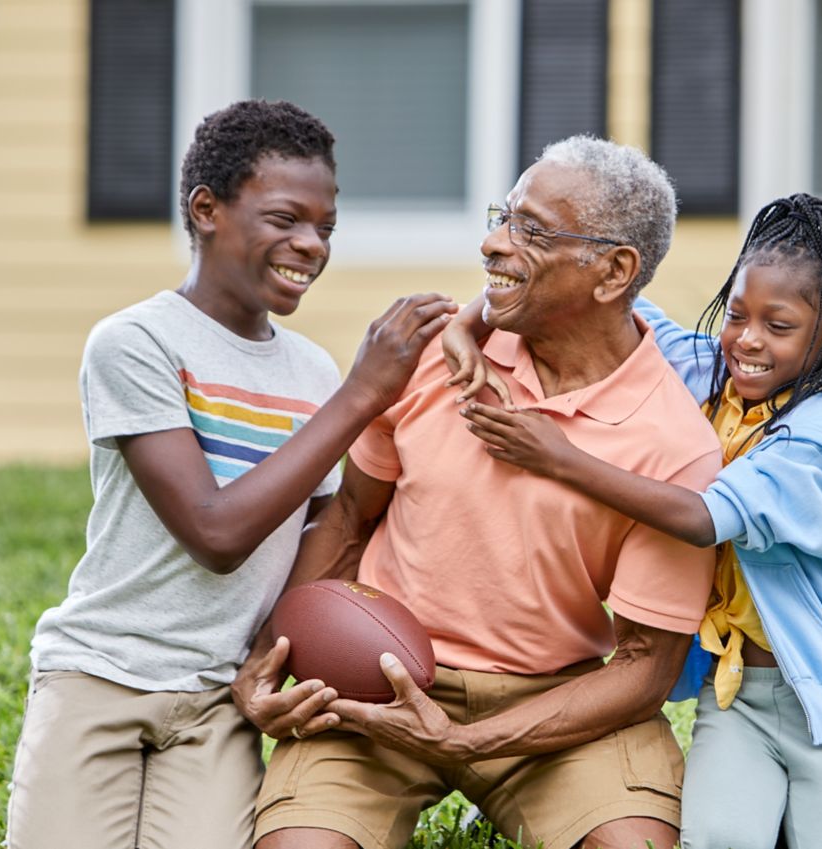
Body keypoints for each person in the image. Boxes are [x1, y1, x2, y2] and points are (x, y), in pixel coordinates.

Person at [231, 136, 724, 849]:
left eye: (531, 230)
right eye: (503, 216)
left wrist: (470, 739)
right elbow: (347, 520)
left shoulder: (673, 446)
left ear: (613, 270)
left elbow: (645, 666)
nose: (493, 243)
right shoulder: (432, 354)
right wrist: (267, 660)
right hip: (374, 679)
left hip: (557, 705)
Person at [4, 100, 456, 849]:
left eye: (326, 227)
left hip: (218, 700)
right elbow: (214, 532)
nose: (310, 245)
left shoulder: (311, 370)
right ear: (206, 210)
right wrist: (362, 394)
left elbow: (317, 537)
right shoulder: (136, 342)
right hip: (101, 676)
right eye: (285, 219)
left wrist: (278, 661)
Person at [450, 193, 822, 849]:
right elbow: (604, 305)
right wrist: (473, 318)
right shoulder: (716, 374)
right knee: (717, 838)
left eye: (777, 326)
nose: (746, 339)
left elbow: (700, 517)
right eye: (737, 315)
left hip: (821, 698)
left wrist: (559, 459)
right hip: (734, 691)